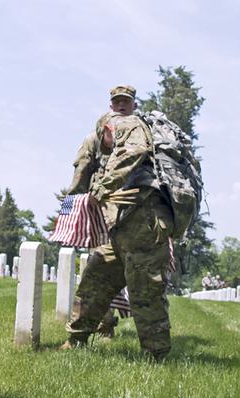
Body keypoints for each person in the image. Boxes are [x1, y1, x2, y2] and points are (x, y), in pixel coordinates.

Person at [61, 97, 174, 361]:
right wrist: (66, 217)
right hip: (118, 229)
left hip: (144, 227)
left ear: (108, 131)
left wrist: (101, 189)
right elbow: (79, 183)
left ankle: (155, 355)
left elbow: (134, 152)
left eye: (105, 140)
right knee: (94, 280)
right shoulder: (106, 142)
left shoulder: (130, 127)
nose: (105, 146)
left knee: (146, 291)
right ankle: (76, 339)